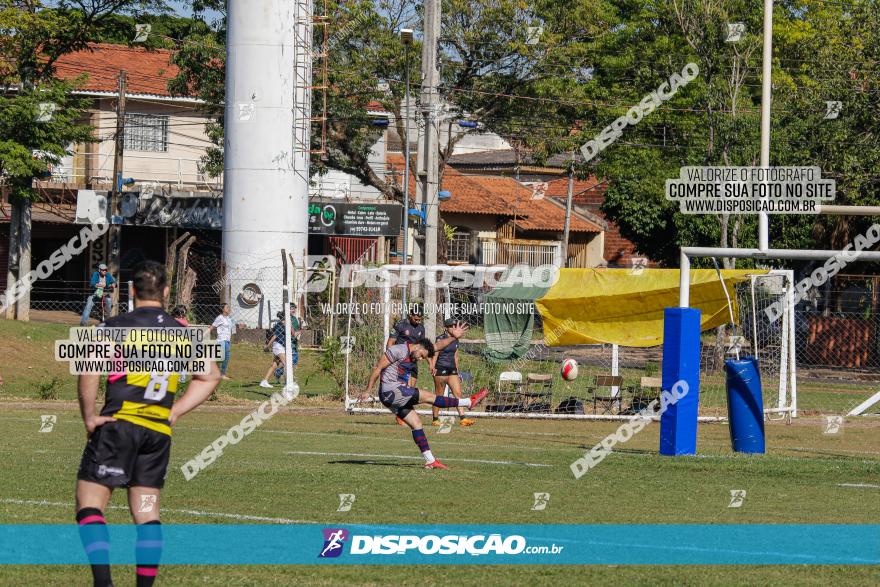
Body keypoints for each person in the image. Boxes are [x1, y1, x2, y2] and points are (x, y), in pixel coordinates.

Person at [74, 261, 221, 587]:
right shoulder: (182, 332)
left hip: (118, 423)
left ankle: (104, 583)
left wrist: (89, 415)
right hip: (156, 432)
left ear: (130, 291)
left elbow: (89, 370)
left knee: (89, 502)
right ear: (167, 292)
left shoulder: (114, 327)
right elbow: (210, 375)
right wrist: (176, 410)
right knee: (146, 512)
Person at [363, 321, 488, 470]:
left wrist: (453, 337)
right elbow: (378, 369)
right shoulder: (397, 350)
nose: (421, 359)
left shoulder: (419, 350)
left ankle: (430, 460)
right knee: (430, 397)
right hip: (391, 390)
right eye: (422, 355)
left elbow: (437, 346)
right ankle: (468, 402)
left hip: (394, 395)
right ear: (418, 346)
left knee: (417, 425)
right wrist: (368, 390)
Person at [431, 319, 475, 427]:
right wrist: (432, 366)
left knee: (458, 394)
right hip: (440, 369)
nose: (454, 328)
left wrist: (457, 370)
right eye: (451, 326)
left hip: (452, 370)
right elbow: (435, 354)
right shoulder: (440, 338)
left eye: (455, 326)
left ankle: (463, 418)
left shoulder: (456, 340)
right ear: (446, 328)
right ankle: (435, 419)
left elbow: (455, 355)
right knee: (439, 396)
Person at [260, 305, 300, 389]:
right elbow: (274, 337)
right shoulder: (279, 325)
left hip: (282, 346)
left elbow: (293, 334)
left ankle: (264, 381)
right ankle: (288, 384)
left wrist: (296, 329)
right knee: (287, 364)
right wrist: (267, 346)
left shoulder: (288, 324)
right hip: (278, 346)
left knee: (274, 365)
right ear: (284, 317)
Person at [387, 304, 425, 387]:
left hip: (413, 361)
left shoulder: (421, 328)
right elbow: (391, 342)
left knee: (411, 389)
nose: (418, 321)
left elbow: (422, 345)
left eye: (420, 320)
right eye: (416, 319)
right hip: (401, 360)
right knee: (402, 388)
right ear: (410, 315)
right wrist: (390, 358)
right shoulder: (400, 325)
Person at [210, 303, 234, 380]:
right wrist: (202, 335)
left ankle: (217, 373)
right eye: (227, 307)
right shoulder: (219, 318)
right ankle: (220, 374)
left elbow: (231, 328)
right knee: (225, 356)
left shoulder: (229, 318)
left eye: (228, 307)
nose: (228, 308)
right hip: (221, 340)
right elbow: (212, 327)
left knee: (223, 358)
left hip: (227, 340)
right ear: (222, 309)